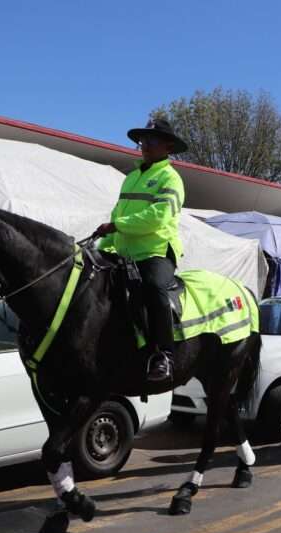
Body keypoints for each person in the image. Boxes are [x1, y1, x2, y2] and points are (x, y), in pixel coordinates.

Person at [96, 118, 187, 382]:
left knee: (153, 288)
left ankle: (164, 355)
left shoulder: (171, 178)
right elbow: (118, 212)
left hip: (155, 252)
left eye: (152, 140)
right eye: (143, 140)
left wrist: (116, 225)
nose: (145, 145)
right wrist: (104, 247)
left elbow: (156, 217)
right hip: (124, 252)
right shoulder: (132, 177)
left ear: (168, 147)